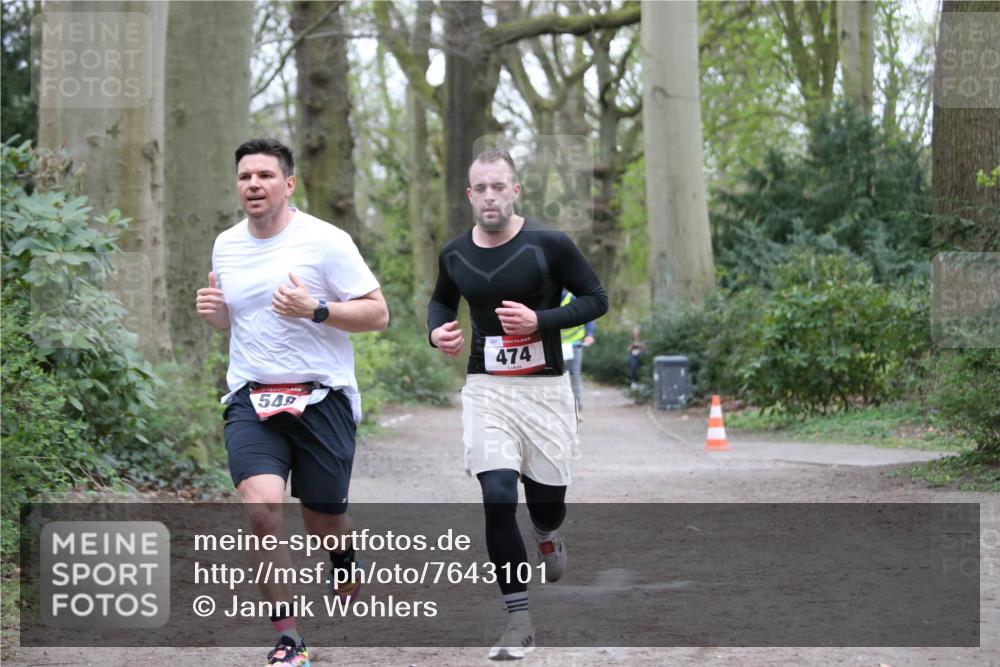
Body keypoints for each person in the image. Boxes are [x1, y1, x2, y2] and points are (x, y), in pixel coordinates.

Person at [195, 138, 389, 667]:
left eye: (264, 175)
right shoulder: (226, 245)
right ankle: (288, 637)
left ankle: (343, 557)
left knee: (322, 517)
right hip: (250, 395)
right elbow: (236, 320)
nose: (253, 185)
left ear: (289, 184)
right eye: (244, 177)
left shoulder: (326, 242)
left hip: (321, 396)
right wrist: (216, 313)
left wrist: (317, 309)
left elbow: (377, 315)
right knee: (261, 510)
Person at [427, 149, 608, 660]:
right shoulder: (455, 253)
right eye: (479, 188)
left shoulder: (550, 244)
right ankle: (518, 620)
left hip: (545, 391)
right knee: (498, 493)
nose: (489, 196)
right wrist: (437, 330)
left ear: (515, 191)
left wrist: (541, 321)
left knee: (547, 501)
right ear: (470, 195)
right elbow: (442, 300)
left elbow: (596, 298)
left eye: (498, 187)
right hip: (487, 389)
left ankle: (547, 533)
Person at [560, 290, 596, 414]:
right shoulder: (547, 299)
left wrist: (590, 334)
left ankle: (577, 407)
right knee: (558, 375)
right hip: (557, 346)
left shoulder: (572, 299)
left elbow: (589, 315)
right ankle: (561, 407)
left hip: (575, 344)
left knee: (574, 375)